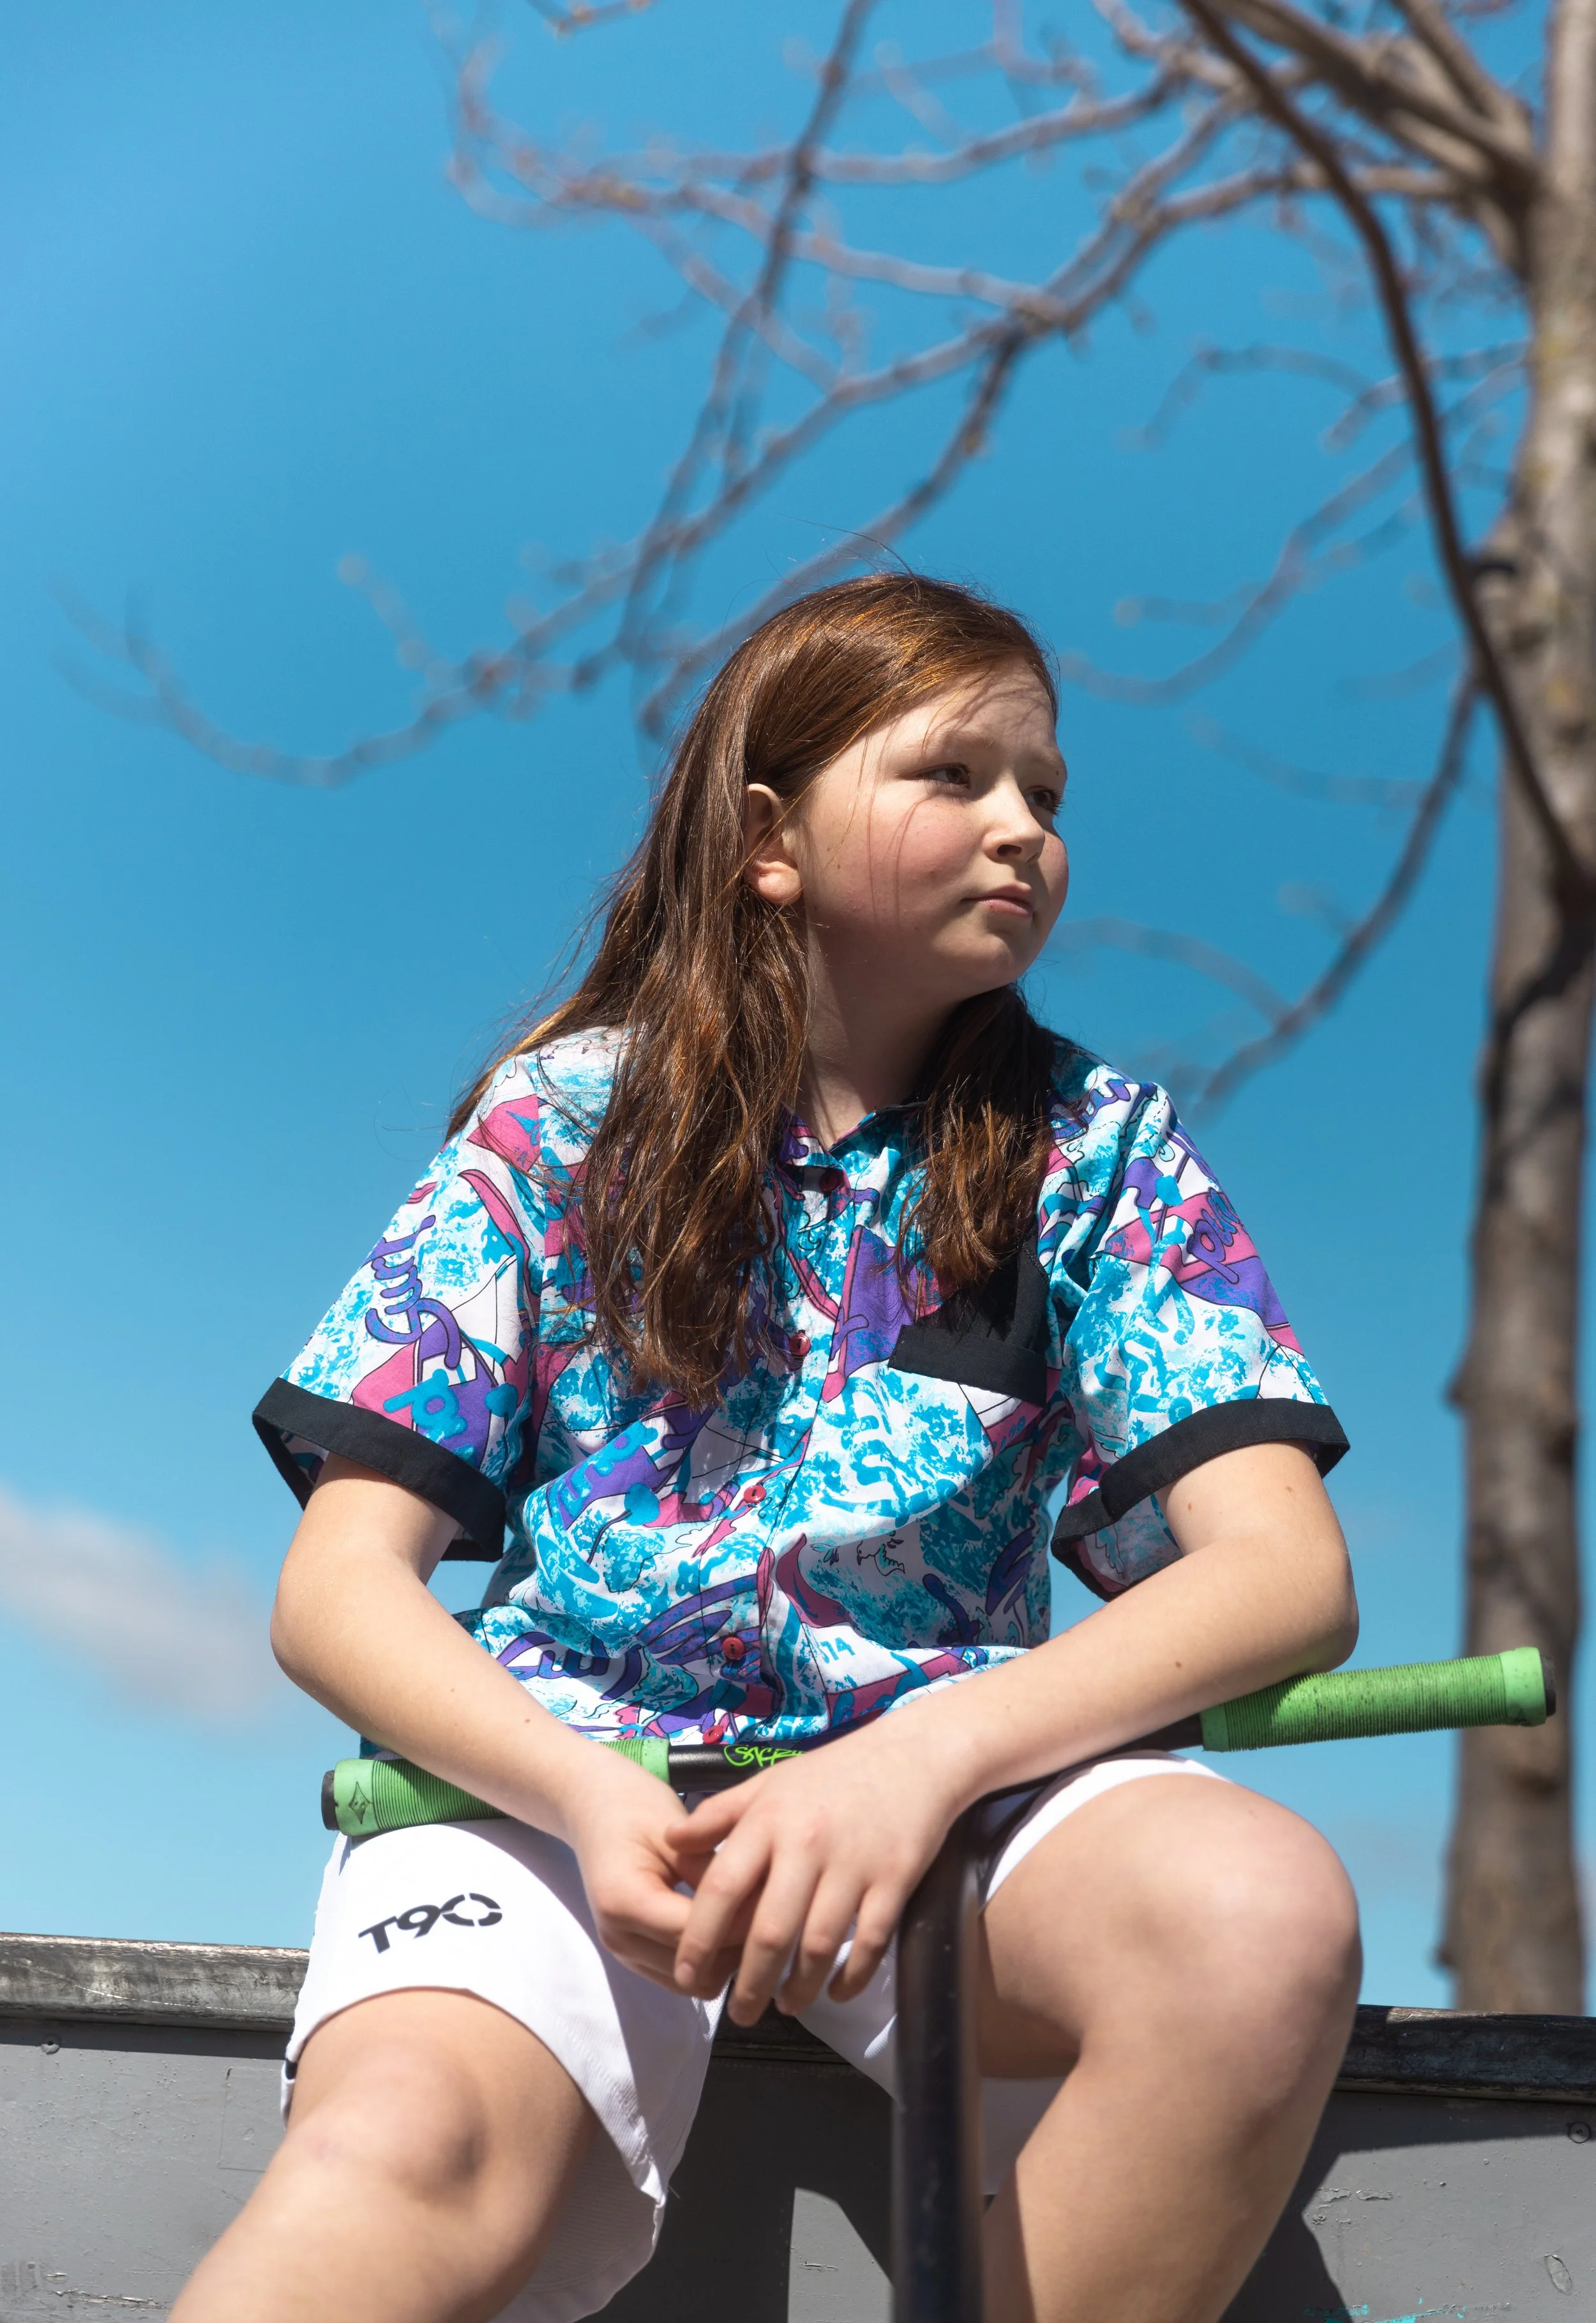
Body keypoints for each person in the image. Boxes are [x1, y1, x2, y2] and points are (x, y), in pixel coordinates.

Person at [173, 573, 1360, 2323]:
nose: (1023, 828)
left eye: (1047, 792)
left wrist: (921, 1759)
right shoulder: (557, 1123)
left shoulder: (1099, 1148)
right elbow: (336, 1591)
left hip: (949, 1801)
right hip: (559, 1802)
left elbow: (1283, 1575)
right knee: (406, 2144)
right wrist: (584, 1792)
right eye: (954, 774)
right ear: (765, 840)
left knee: (1255, 1920)